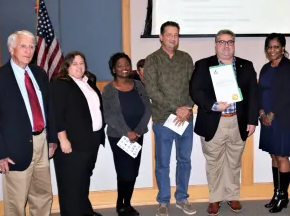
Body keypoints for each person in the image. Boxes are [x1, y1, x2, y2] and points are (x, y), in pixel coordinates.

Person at [190, 29, 258, 216]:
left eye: (230, 42)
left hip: (238, 121)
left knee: (234, 161)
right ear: (215, 44)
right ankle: (215, 198)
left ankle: (232, 195)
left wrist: (252, 120)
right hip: (214, 122)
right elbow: (196, 91)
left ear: (234, 44)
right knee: (214, 162)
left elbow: (253, 94)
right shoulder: (204, 65)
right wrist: (213, 105)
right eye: (222, 42)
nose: (226, 46)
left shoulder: (246, 65)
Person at [0, 30, 57, 216]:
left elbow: (49, 108)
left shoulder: (39, 73)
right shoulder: (0, 77)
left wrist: (52, 139)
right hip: (14, 148)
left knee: (43, 195)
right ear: (11, 48)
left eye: (32, 46)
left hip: (42, 142)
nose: (28, 50)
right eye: (23, 46)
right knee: (16, 202)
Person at [143, 21, 196, 216]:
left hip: (186, 120)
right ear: (161, 37)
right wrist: (176, 109)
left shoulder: (186, 58)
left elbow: (194, 86)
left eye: (176, 35)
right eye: (169, 34)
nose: (173, 38)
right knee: (163, 163)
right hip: (163, 120)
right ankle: (163, 201)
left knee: (184, 160)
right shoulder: (152, 60)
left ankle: (182, 198)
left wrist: (188, 107)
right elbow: (152, 91)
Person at [51, 51, 105, 216]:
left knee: (83, 180)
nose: (79, 66)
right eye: (74, 63)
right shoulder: (61, 84)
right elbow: (56, 114)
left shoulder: (89, 82)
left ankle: (84, 210)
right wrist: (63, 139)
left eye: (81, 63)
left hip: (91, 140)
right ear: (66, 66)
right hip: (72, 143)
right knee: (70, 184)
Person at [258, 33, 290, 213]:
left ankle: (283, 196)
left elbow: (287, 93)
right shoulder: (265, 68)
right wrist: (261, 112)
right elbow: (259, 90)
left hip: (284, 118)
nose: (272, 50)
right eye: (269, 47)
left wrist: (271, 114)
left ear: (283, 48)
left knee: (282, 156)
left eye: (276, 47)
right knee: (274, 155)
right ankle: (276, 193)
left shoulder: (289, 67)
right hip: (267, 119)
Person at [102, 52, 152, 216]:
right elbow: (109, 115)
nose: (124, 68)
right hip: (119, 137)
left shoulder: (138, 85)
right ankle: (120, 204)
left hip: (138, 135)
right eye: (120, 65)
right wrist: (127, 131)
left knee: (133, 170)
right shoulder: (109, 89)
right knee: (124, 171)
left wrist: (137, 131)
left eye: (126, 64)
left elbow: (147, 109)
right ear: (113, 69)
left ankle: (127, 203)